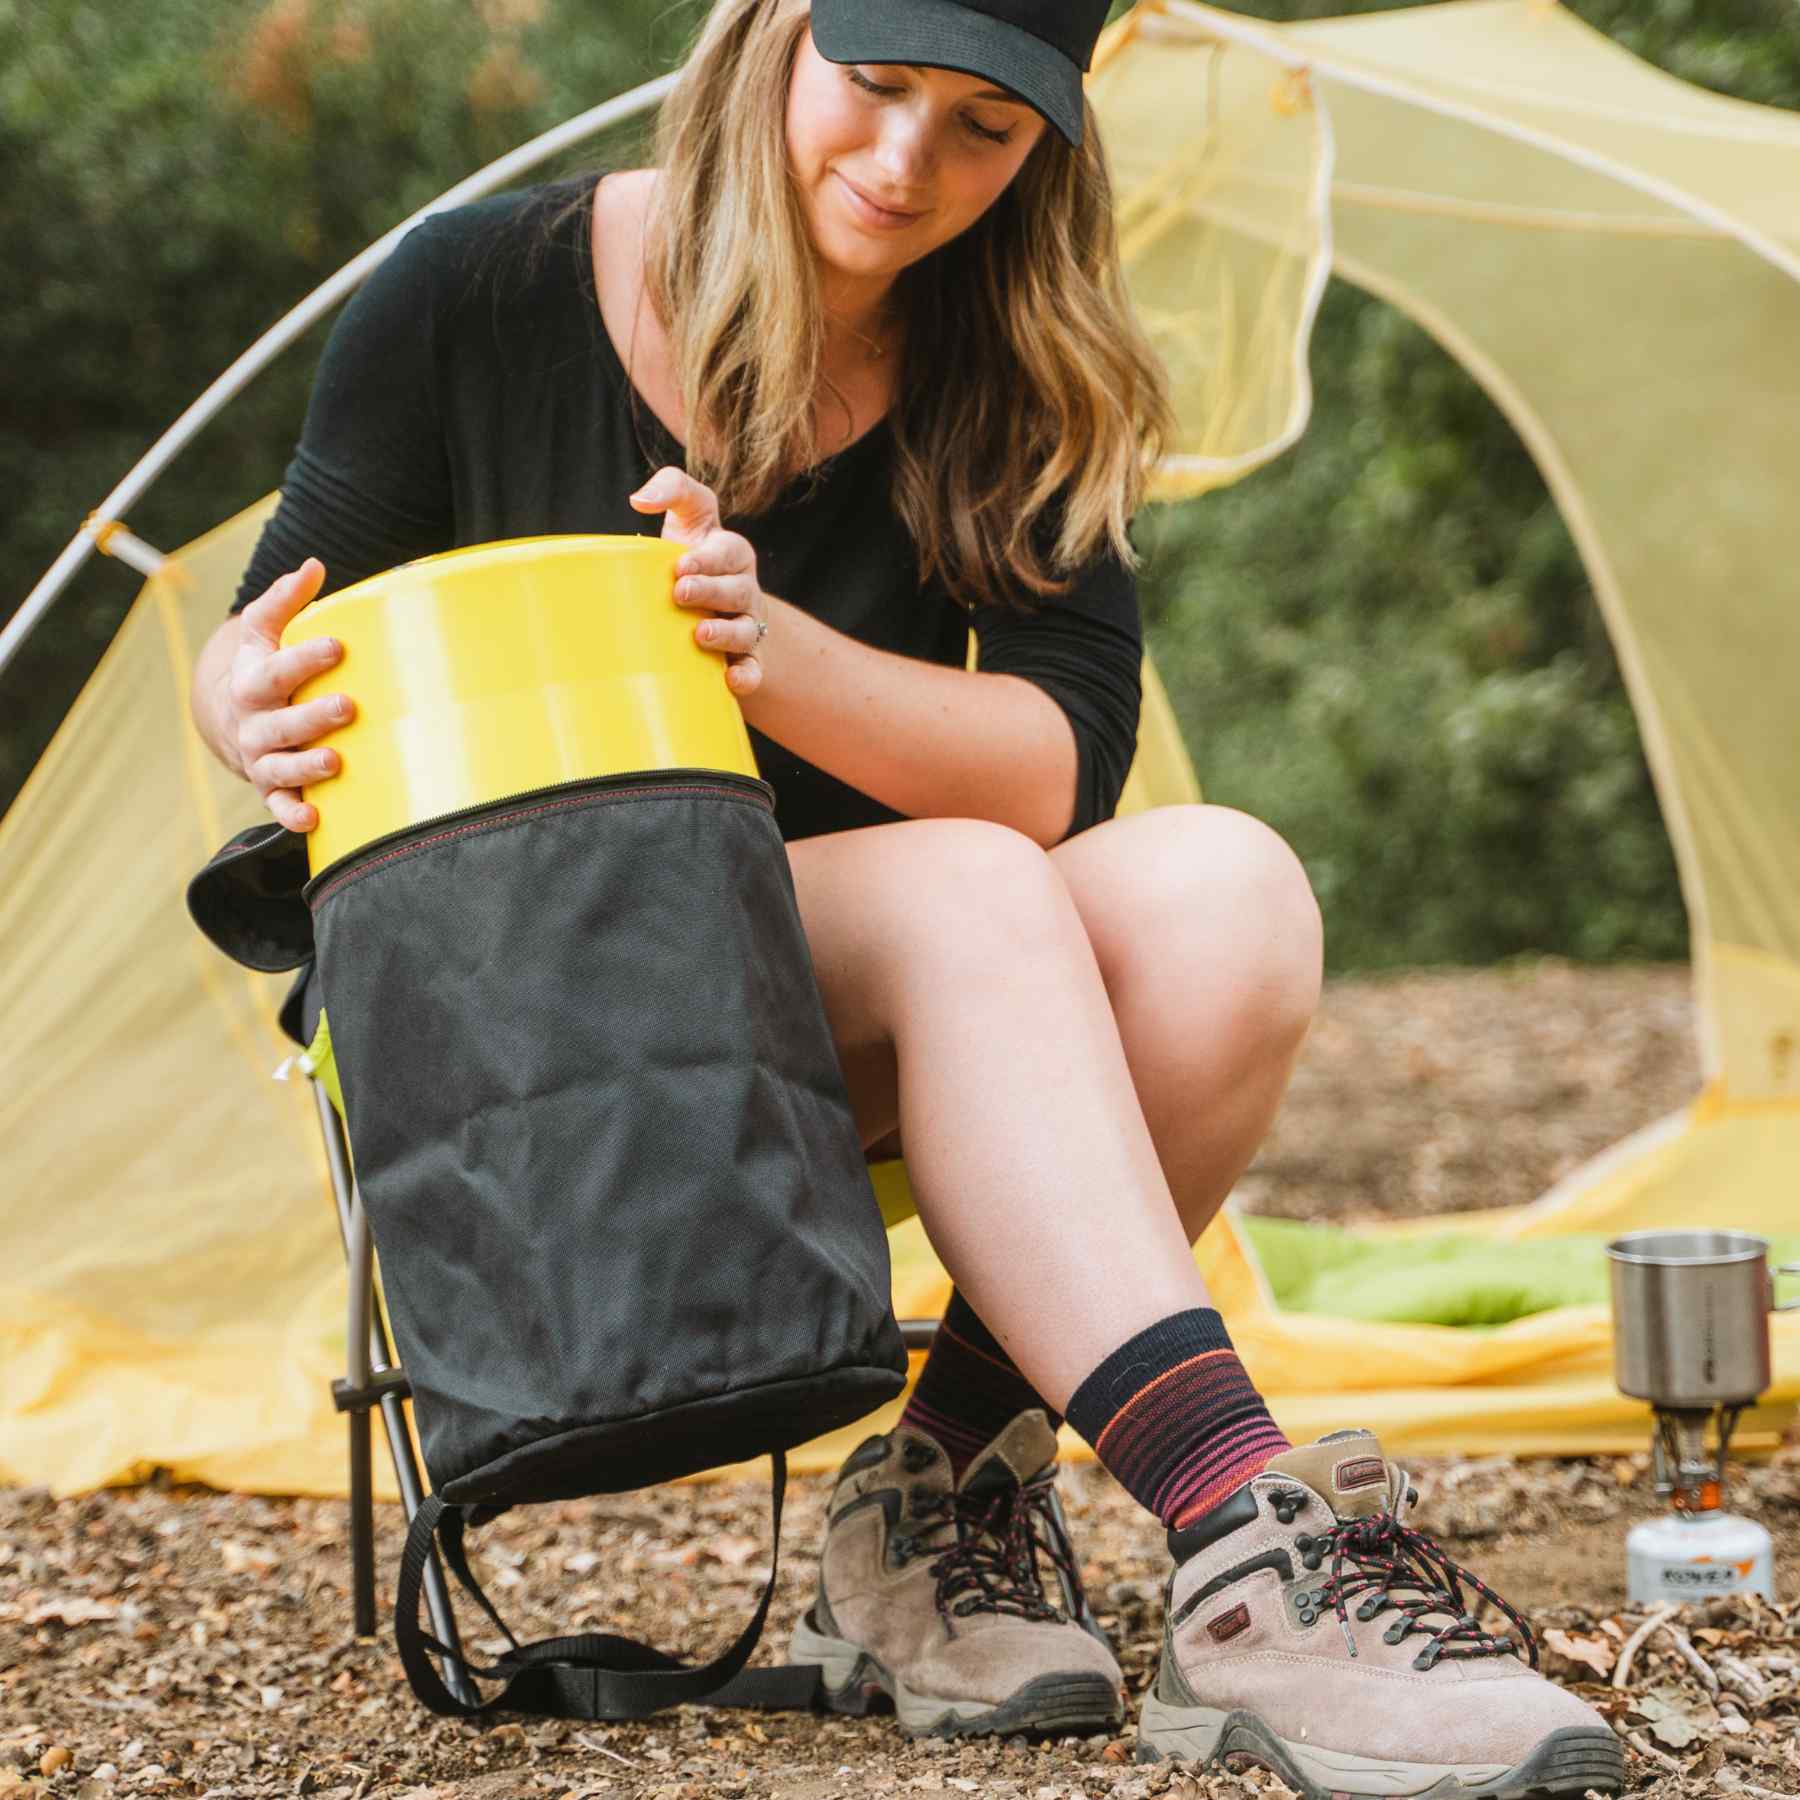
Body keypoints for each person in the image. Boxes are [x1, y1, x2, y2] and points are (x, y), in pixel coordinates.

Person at [187, 0, 1621, 1790]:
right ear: (771, 41)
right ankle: (1255, 1549)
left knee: (1226, 893)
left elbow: (1059, 765)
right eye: (870, 90)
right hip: (509, 1031)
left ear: (1051, 147)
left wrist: (767, 654)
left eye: (981, 130)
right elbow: (269, 635)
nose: (903, 167)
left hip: (810, 996)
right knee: (963, 891)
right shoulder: (475, 284)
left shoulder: (1019, 366)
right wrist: (235, 698)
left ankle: (924, 1525)